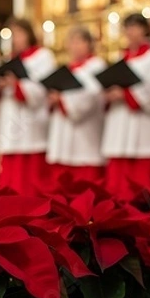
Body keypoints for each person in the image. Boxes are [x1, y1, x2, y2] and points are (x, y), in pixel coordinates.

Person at [101, 13, 150, 199]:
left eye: (134, 27)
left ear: (145, 30)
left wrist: (126, 94)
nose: (130, 32)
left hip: (147, 134)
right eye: (127, 28)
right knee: (118, 191)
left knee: (146, 191)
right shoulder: (121, 59)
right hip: (120, 131)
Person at [0, 17, 56, 196]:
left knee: (29, 166)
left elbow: (43, 87)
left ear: (29, 34)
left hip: (31, 117)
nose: (16, 39)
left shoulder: (43, 56)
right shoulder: (10, 58)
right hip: (11, 112)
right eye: (13, 35)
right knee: (10, 162)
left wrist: (18, 85)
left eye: (19, 33)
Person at [46, 26, 107, 183]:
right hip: (63, 132)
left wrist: (62, 99)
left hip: (85, 135)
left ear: (89, 44)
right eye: (71, 42)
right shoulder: (67, 68)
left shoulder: (96, 66)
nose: (74, 46)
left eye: (79, 42)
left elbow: (92, 95)